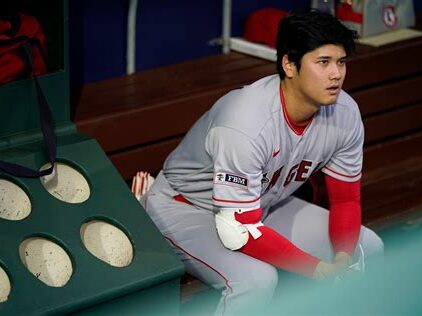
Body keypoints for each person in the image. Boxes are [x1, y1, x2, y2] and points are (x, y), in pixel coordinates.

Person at [133, 10, 384, 315]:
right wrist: (318, 269)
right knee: (256, 281)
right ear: (289, 65)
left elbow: (345, 199)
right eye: (323, 62)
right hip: (185, 208)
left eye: (341, 62)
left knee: (366, 248)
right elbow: (237, 230)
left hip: (259, 205)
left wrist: (342, 259)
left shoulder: (343, 113)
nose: (336, 74)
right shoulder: (245, 123)